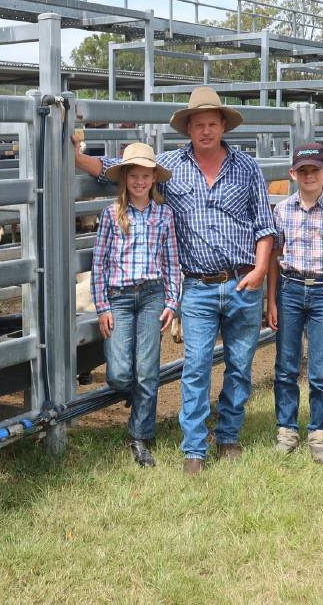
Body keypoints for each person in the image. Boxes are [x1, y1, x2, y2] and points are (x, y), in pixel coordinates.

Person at [75, 86, 275, 475]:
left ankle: (229, 435)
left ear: (222, 126)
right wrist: (75, 157)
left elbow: (265, 226)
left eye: (211, 124)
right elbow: (118, 169)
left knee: (239, 364)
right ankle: (195, 448)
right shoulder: (168, 166)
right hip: (198, 285)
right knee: (196, 365)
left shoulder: (247, 168)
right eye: (197, 124)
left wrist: (260, 269)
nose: (205, 131)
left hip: (241, 281)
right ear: (188, 128)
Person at [91, 143, 181, 468]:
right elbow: (99, 263)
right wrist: (102, 306)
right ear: (125, 178)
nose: (140, 182)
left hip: (153, 295)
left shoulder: (164, 214)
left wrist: (172, 300)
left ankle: (140, 437)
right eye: (135, 176)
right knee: (118, 373)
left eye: (146, 176)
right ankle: (133, 396)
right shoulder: (112, 214)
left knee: (147, 370)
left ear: (154, 178)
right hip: (119, 297)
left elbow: (171, 261)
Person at [266, 143, 323, 464]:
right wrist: (272, 301)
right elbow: (276, 258)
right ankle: (287, 429)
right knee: (286, 366)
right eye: (302, 171)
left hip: (322, 292)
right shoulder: (283, 211)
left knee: (320, 370)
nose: (309, 176)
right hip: (289, 289)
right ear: (292, 174)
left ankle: (319, 432)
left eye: (315, 170)